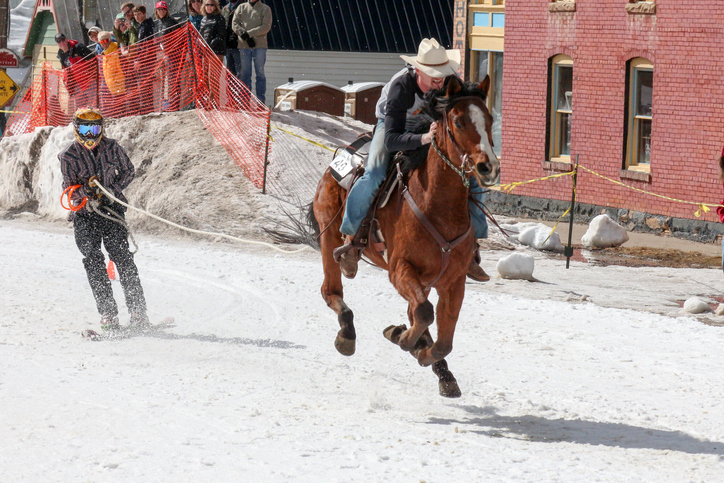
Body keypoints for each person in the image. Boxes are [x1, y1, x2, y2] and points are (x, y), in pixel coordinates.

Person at [337, 38, 491, 282]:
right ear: (418, 71)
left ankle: (472, 248)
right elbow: (391, 140)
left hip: (430, 130)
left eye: (442, 73)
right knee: (375, 173)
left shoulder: (451, 84)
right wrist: (422, 138)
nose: (439, 80)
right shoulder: (401, 87)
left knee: (473, 180)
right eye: (433, 75)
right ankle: (351, 238)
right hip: (392, 128)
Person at [59, 108, 149, 331]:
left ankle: (138, 313)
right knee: (93, 262)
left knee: (124, 259)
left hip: (112, 211)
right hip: (85, 216)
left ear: (102, 128)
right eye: (85, 129)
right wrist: (85, 192)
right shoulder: (68, 155)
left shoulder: (112, 147)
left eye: (95, 128)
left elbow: (128, 171)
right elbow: (67, 187)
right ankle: (108, 315)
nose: (90, 134)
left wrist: (111, 191)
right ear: (76, 128)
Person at [232, 0, 272, 104]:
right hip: (244, 45)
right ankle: (245, 100)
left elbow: (266, 26)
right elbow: (235, 23)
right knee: (245, 73)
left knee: (260, 73)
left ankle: (260, 101)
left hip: (259, 46)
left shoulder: (265, 8)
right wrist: (242, 33)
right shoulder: (241, 7)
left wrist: (249, 34)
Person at [221, 0, 242, 78]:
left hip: (239, 46)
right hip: (227, 46)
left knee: (240, 73)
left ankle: (240, 90)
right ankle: (230, 90)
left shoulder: (242, 7)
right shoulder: (224, 9)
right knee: (229, 73)